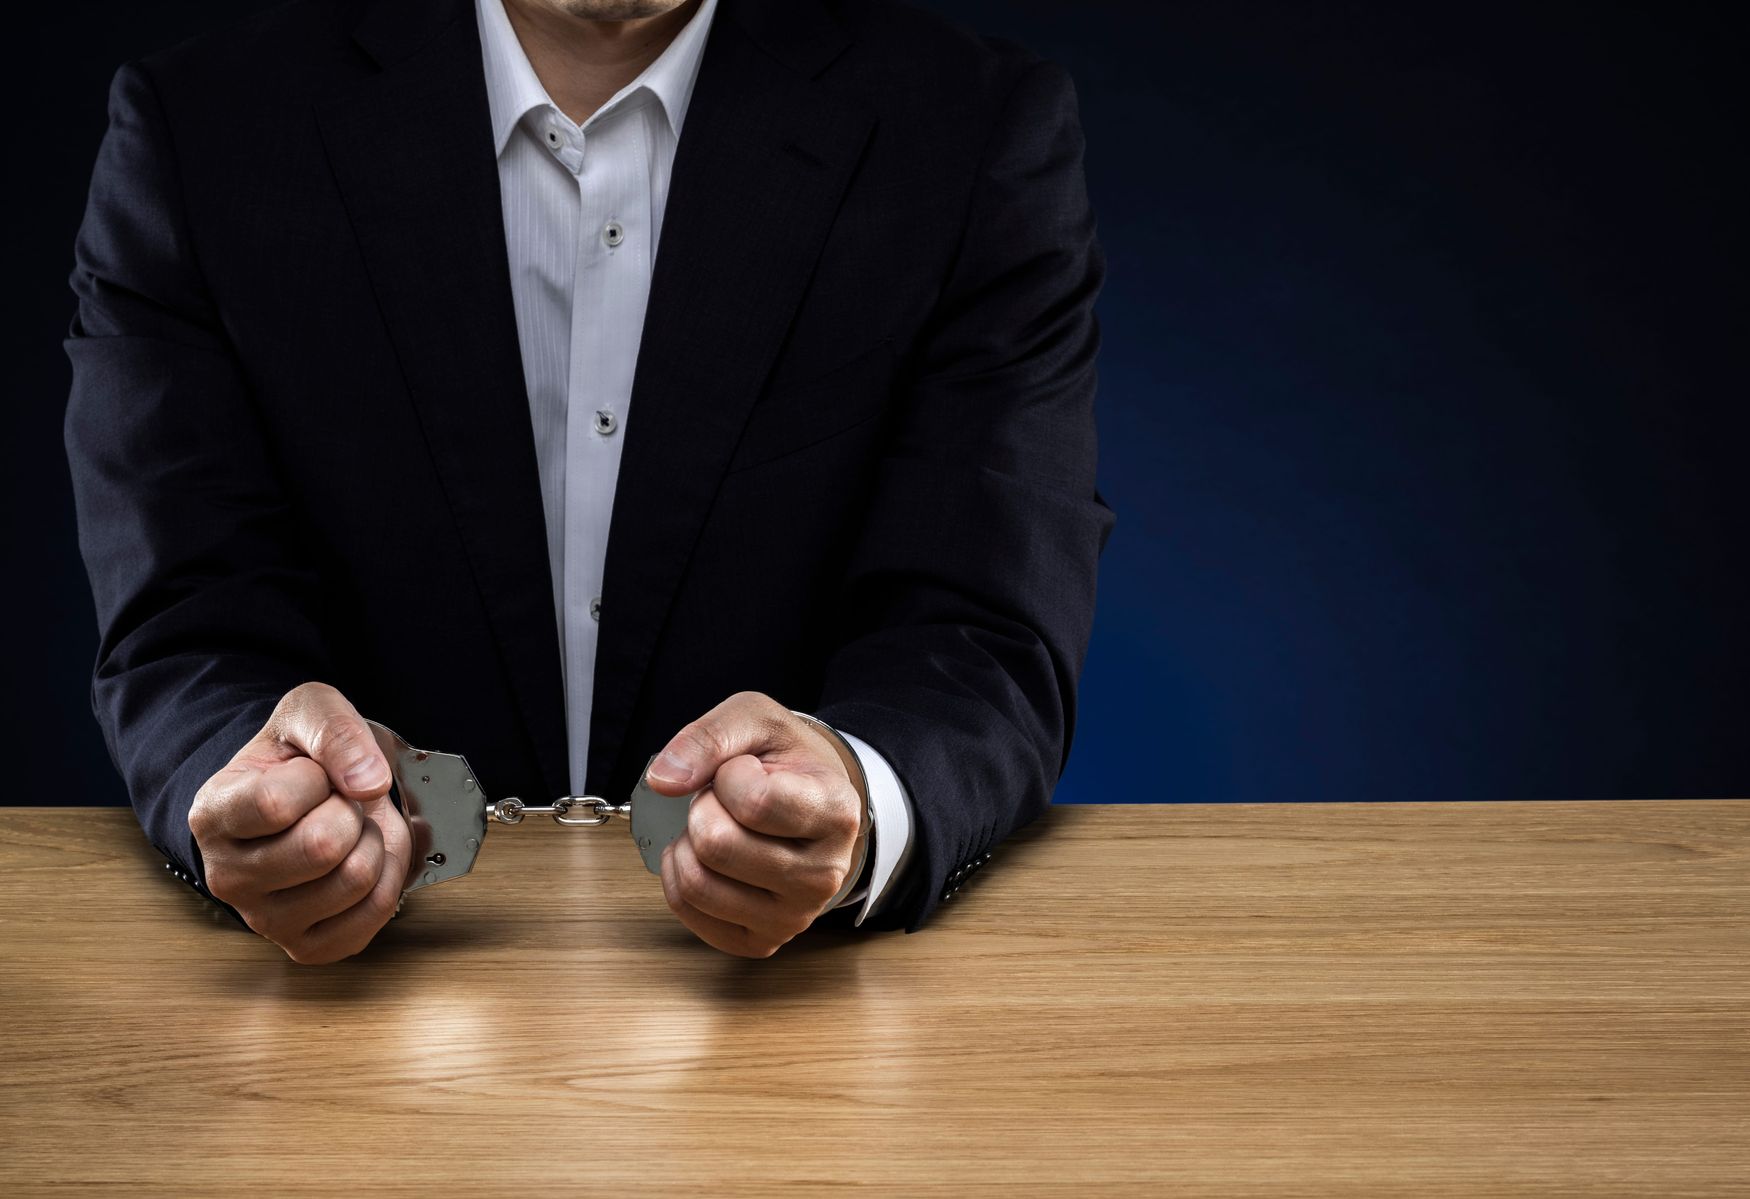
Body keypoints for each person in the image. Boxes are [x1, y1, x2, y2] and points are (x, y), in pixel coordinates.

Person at [64, 0, 1111, 963]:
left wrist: (863, 790)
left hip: (793, 1007)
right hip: (358, 996)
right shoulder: (201, 127)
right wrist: (261, 782)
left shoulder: (971, 130)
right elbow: (183, 615)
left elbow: (986, 616)